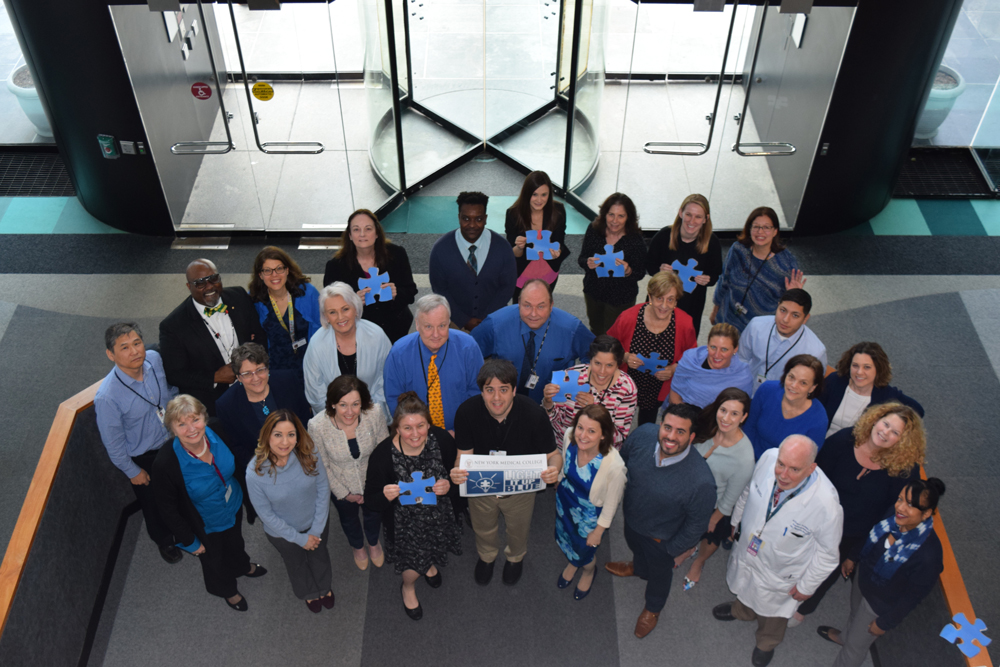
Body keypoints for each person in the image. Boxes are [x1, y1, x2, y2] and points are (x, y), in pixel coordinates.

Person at [713, 435, 842, 667]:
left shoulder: (827, 505)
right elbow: (749, 492)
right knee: (745, 584)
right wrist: (737, 520)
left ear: (812, 468)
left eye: (794, 469)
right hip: (750, 549)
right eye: (781, 464)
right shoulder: (768, 457)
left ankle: (767, 642)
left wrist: (807, 586)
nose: (783, 475)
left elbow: (828, 555)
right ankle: (741, 611)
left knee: (772, 614)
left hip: (781, 573)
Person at [792, 402, 924, 626]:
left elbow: (888, 517)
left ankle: (804, 607)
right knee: (797, 556)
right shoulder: (844, 440)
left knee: (828, 570)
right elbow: (814, 477)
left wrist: (855, 553)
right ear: (875, 419)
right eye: (885, 424)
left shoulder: (903, 470)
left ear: (902, 441)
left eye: (895, 433)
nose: (885, 432)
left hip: (856, 532)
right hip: (817, 517)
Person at [604, 403, 716, 639]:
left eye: (680, 432)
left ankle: (653, 608)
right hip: (632, 519)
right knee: (635, 549)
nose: (671, 436)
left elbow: (697, 524)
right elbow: (621, 465)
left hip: (661, 539)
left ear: (692, 436)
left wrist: (669, 551)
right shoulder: (643, 434)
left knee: (660, 575)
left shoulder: (701, 481)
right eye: (667, 427)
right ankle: (637, 567)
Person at [449, 360, 561, 586]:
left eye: (503, 390)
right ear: (482, 391)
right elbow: (463, 453)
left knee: (519, 528)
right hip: (480, 485)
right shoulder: (466, 412)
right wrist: (458, 470)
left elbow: (553, 454)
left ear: (514, 390)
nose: (496, 398)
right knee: (483, 527)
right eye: (489, 390)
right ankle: (487, 556)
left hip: (521, 489)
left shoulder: (534, 414)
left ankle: (515, 557)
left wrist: (554, 470)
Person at [153, 395, 267, 612]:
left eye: (195, 419)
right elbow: (167, 509)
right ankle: (227, 590)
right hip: (203, 523)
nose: (191, 429)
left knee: (235, 541)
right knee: (213, 559)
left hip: (232, 505)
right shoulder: (166, 462)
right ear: (172, 429)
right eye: (182, 424)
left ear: (204, 417)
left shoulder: (218, 429)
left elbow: (239, 462)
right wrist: (190, 541)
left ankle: (242, 566)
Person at [818, 479, 946, 667]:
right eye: (900, 499)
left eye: (910, 505)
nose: (900, 507)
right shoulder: (892, 516)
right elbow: (871, 533)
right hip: (864, 579)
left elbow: (913, 596)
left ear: (926, 513)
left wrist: (885, 623)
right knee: (854, 612)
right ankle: (844, 636)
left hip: (879, 603)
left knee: (855, 648)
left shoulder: (929, 556)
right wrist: (853, 557)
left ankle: (849, 643)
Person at [364, 392, 462, 620]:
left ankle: (428, 565)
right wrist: (385, 496)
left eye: (421, 426)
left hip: (439, 517)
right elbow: (371, 501)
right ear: (396, 428)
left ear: (429, 424)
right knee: (411, 565)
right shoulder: (382, 456)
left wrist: (449, 485)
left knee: (433, 549)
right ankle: (408, 587)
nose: (415, 434)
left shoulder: (442, 440)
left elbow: (456, 478)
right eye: (407, 428)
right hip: (405, 526)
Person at [94, 322, 181, 564]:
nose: (135, 352)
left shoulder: (154, 359)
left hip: (172, 441)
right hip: (145, 457)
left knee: (180, 489)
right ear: (111, 354)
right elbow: (113, 443)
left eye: (137, 343)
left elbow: (169, 391)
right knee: (153, 505)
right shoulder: (107, 397)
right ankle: (164, 541)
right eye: (124, 347)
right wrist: (133, 471)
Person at [245, 410, 334, 613]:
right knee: (296, 564)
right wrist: (300, 539)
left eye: (291, 434)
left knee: (320, 556)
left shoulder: (309, 452)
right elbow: (266, 515)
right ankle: (308, 592)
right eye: (278, 434)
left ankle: (324, 587)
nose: (285, 442)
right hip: (282, 533)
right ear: (267, 435)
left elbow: (323, 488)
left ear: (298, 435)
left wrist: (316, 529)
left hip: (316, 523)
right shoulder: (255, 473)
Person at [216, 343, 311, 523]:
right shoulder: (226, 405)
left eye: (260, 370)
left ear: (268, 368)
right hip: (265, 469)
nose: (256, 378)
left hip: (299, 458)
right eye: (247, 374)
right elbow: (236, 447)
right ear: (238, 377)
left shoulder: (288, 380)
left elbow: (304, 420)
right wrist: (269, 464)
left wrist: (298, 456)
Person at [159, 259, 265, 415]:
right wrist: (214, 377)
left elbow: (259, 335)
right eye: (200, 283)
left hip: (253, 386)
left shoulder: (239, 296)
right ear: (189, 286)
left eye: (213, 279)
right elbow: (175, 374)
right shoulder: (173, 326)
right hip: (214, 402)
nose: (209, 286)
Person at [309, 375, 389, 571]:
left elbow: (384, 451)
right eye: (343, 405)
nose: (350, 412)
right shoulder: (317, 426)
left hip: (373, 483)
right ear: (333, 404)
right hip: (340, 486)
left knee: (373, 515)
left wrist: (373, 487)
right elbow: (322, 466)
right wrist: (345, 494)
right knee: (349, 520)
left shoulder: (375, 413)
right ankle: (358, 546)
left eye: (356, 404)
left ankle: (373, 541)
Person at [680, 388, 755, 591]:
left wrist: (714, 518)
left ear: (744, 417)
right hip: (689, 491)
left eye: (734, 413)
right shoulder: (707, 426)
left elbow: (731, 497)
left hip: (715, 505)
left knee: (711, 534)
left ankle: (699, 560)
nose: (726, 418)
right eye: (723, 410)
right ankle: (687, 548)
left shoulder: (745, 458)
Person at [472, 279, 594, 403]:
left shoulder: (571, 329)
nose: (533, 314)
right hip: (503, 402)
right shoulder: (495, 324)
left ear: (551, 305)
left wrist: (580, 387)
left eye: (541, 306)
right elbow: (466, 355)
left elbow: (597, 359)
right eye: (527, 305)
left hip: (551, 406)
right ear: (518, 303)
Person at [554, 404, 626, 600]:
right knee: (567, 539)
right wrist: (559, 478)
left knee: (585, 551)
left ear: (603, 435)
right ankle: (573, 561)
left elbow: (611, 505)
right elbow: (564, 460)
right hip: (565, 502)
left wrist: (598, 531)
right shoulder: (570, 435)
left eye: (591, 431)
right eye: (580, 427)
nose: (582, 436)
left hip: (589, 517)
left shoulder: (614, 466)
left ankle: (587, 571)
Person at [383, 294, 483, 432]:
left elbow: (478, 393)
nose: (436, 334)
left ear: (449, 323)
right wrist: (416, 433)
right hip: (415, 436)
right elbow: (394, 400)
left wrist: (461, 431)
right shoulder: (398, 353)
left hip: (462, 432)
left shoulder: (468, 347)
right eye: (428, 327)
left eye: (442, 326)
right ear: (417, 325)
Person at [608, 271, 697, 425]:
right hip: (626, 384)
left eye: (670, 300)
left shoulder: (685, 323)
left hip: (657, 388)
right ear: (650, 297)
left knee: (647, 425)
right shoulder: (628, 317)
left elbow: (692, 357)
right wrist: (626, 356)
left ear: (676, 302)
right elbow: (608, 345)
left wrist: (673, 368)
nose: (664, 305)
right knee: (617, 422)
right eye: (659, 298)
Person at [323, 209, 418, 343]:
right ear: (349, 235)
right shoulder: (335, 267)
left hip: (396, 326)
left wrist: (397, 293)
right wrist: (352, 302)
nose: (362, 234)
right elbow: (329, 305)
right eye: (356, 229)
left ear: (377, 232)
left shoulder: (397, 254)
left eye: (368, 229)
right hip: (359, 330)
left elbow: (411, 291)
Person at [428, 191, 517, 331]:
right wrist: (463, 320)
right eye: (466, 219)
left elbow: (507, 287)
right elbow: (439, 289)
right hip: (454, 319)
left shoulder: (503, 247)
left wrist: (486, 317)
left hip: (493, 318)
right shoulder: (440, 249)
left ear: (486, 218)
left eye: (479, 219)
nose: (472, 225)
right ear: (458, 218)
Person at [303, 282, 391, 417]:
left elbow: (385, 380)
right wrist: (339, 419)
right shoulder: (316, 344)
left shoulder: (377, 336)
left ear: (355, 308)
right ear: (326, 317)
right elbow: (315, 393)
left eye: (345, 309)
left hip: (372, 414)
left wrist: (369, 414)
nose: (340, 317)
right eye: (332, 312)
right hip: (332, 419)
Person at [711, 207, 806, 332]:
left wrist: (794, 294)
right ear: (749, 229)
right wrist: (716, 307)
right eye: (756, 226)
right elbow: (724, 279)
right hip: (728, 317)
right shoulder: (738, 250)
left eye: (767, 227)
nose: (760, 232)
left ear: (775, 231)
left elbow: (788, 306)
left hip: (760, 329)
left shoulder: (786, 264)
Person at [644, 194, 723, 336]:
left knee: (683, 343)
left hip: (691, 304)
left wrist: (708, 279)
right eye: (688, 214)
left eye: (698, 217)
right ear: (680, 213)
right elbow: (649, 265)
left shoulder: (712, 242)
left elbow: (715, 274)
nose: (692, 221)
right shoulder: (664, 235)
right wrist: (658, 270)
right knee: (651, 337)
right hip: (660, 302)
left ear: (706, 219)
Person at [542, 335, 638, 448]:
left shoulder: (626, 388)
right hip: (563, 446)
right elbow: (554, 420)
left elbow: (619, 436)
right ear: (590, 360)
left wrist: (596, 411)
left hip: (600, 451)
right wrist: (548, 403)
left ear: (618, 364)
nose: (602, 371)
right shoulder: (571, 376)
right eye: (597, 363)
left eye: (609, 365)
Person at [819, 341, 924, 438]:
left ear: (878, 369)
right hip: (819, 442)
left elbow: (918, 411)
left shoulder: (885, 395)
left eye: (867, 367)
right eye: (855, 365)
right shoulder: (835, 381)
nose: (859, 372)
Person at [577, 192, 648, 336]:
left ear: (628, 217)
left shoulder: (635, 240)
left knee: (615, 335)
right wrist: (588, 263)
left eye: (621, 216)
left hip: (621, 297)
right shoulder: (594, 230)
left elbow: (640, 272)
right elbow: (582, 258)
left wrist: (628, 270)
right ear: (604, 214)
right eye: (611, 215)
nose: (615, 221)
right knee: (596, 330)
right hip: (593, 291)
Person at [737, 289, 827, 397]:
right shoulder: (756, 326)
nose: (785, 319)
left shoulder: (816, 351)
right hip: (747, 391)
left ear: (805, 318)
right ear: (778, 306)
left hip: (782, 402)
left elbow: (810, 389)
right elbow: (741, 360)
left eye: (795, 315)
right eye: (783, 310)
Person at [248, 246, 322, 377]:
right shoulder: (254, 300)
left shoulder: (307, 292)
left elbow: (322, 328)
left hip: (309, 365)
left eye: (279, 268)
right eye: (267, 270)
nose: (274, 275)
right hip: (273, 369)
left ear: (287, 270)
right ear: (260, 275)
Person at [743, 355, 829, 460]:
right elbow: (749, 426)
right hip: (748, 454)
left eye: (803, 383)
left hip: (782, 469)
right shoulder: (766, 390)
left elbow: (805, 458)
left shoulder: (819, 420)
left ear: (812, 388)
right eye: (791, 377)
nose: (793, 385)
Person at [505, 170, 569, 300]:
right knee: (520, 308)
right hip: (522, 271)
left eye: (544, 195)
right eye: (534, 194)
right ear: (527, 194)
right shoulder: (513, 214)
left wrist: (558, 250)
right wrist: (519, 247)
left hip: (548, 269)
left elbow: (559, 240)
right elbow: (513, 253)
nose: (539, 200)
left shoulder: (558, 210)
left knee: (543, 306)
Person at [668, 323, 754, 409]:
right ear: (707, 345)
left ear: (735, 349)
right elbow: (674, 394)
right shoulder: (690, 359)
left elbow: (740, 410)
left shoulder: (742, 377)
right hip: (682, 412)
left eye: (724, 349)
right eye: (713, 347)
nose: (717, 355)